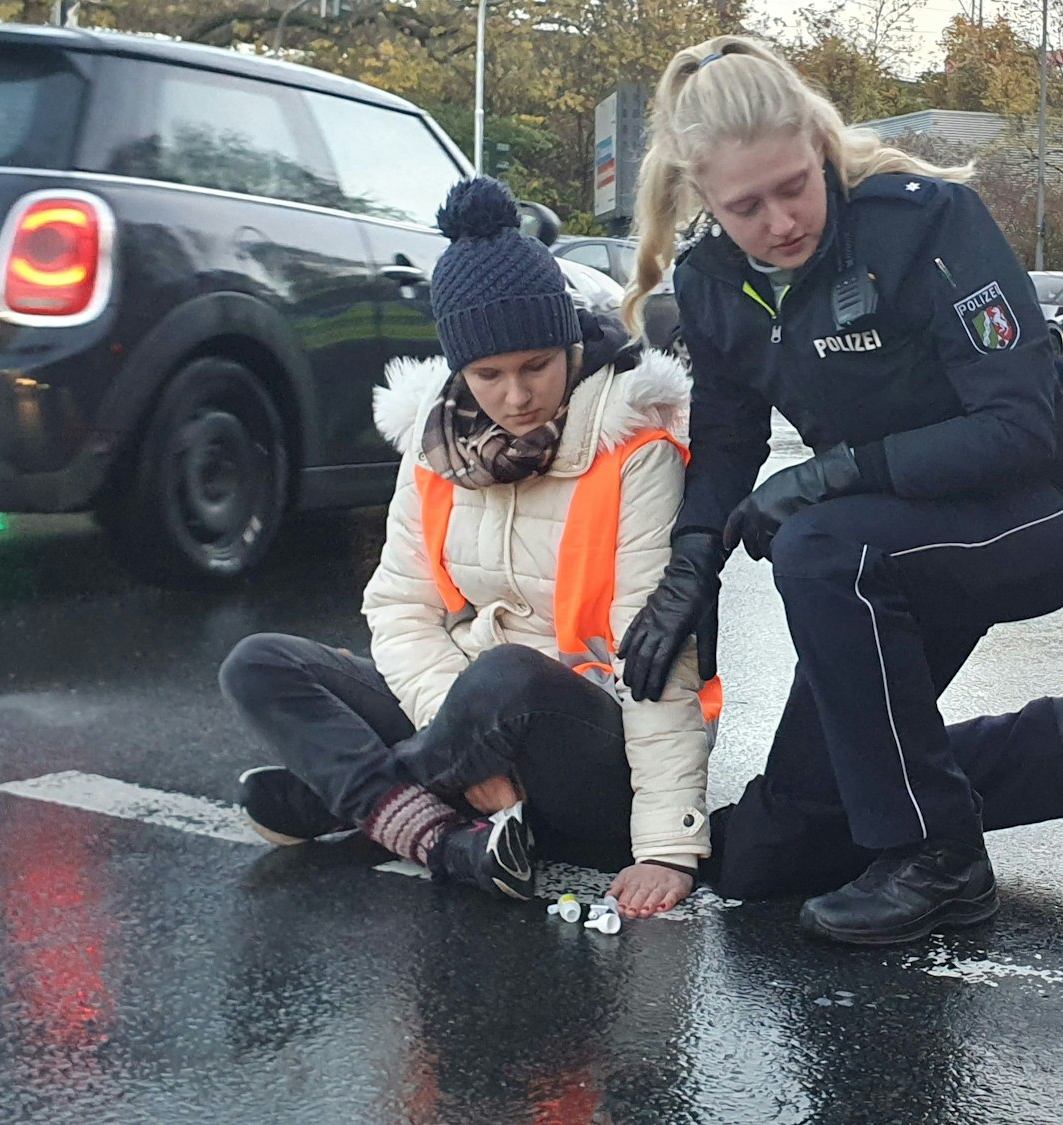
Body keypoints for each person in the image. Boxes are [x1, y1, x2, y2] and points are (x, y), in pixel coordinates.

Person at [615, 36, 1063, 946]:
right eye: (745, 205)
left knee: (815, 546)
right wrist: (690, 566)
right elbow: (729, 439)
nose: (781, 220)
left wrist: (837, 473)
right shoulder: (712, 283)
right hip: (892, 541)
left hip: (1036, 513)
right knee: (772, 851)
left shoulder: (924, 224)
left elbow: (1018, 428)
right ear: (701, 197)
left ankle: (939, 861)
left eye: (795, 185)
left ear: (819, 148)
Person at [218, 177, 713, 919]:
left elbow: (660, 652)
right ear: (459, 369)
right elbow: (400, 609)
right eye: (488, 375)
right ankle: (450, 841)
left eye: (536, 366)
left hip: (584, 755)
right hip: (464, 718)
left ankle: (355, 800)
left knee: (509, 674)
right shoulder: (433, 448)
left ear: (569, 345)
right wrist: (464, 736)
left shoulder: (634, 450)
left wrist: (666, 844)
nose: (516, 397)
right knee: (259, 663)